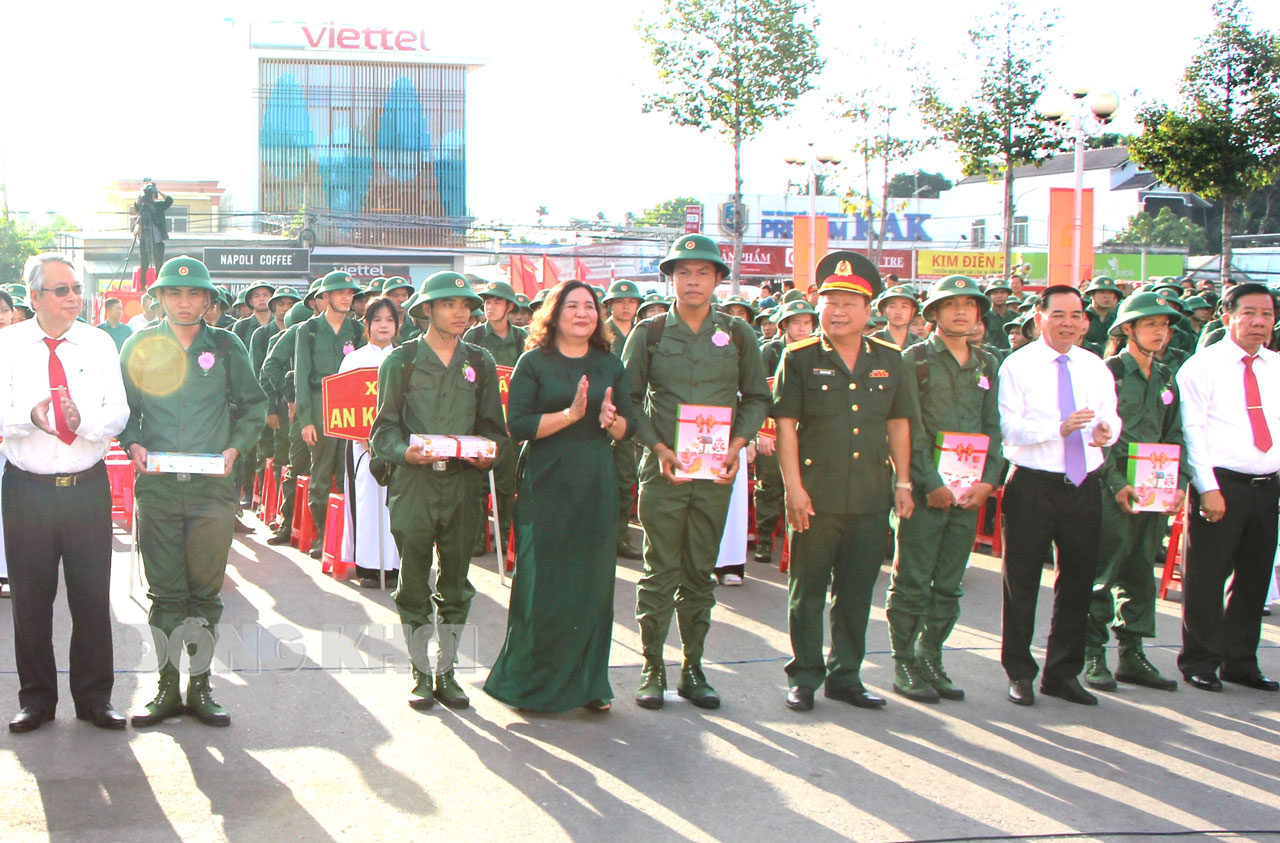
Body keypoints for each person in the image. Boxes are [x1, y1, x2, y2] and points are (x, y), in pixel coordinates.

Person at [622, 234, 770, 710]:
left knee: (700, 570)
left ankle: (693, 666)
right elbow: (628, 400)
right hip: (663, 468)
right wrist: (658, 447)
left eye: (702, 272)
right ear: (670, 279)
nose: (692, 280)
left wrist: (739, 444)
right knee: (659, 569)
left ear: (718, 280)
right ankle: (651, 666)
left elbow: (757, 398)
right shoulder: (650, 332)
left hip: (715, 471)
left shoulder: (739, 334)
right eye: (682, 272)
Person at [119, 256, 268, 727]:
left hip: (211, 492)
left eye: (194, 295)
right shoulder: (140, 345)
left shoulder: (225, 347)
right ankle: (166, 688)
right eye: (174, 294)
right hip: (160, 489)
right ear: (160, 298)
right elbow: (124, 409)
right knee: (165, 594)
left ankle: (200, 687)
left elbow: (253, 406)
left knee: (205, 595)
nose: (185, 303)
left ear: (208, 300)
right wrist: (133, 443)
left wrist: (234, 450)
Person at [484, 280, 636, 712]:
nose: (583, 313)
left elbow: (631, 427)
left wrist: (611, 421)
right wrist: (570, 415)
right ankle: (532, 684)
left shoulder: (610, 363)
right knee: (543, 581)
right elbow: (520, 426)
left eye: (590, 306)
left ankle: (590, 684)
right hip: (546, 479)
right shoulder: (534, 362)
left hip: (596, 480)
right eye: (573, 306)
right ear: (554, 313)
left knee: (592, 582)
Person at [773, 251, 915, 712]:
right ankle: (805, 675)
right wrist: (793, 487)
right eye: (830, 301)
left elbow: (899, 424)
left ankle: (846, 676)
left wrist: (904, 483)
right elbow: (787, 426)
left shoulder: (891, 360)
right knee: (808, 591)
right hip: (816, 494)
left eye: (849, 303)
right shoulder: (799, 358)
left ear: (868, 309)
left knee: (855, 593)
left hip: (871, 494)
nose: (837, 311)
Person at [1, 253, 130, 733]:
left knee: (92, 599)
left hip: (84, 489)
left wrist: (86, 424)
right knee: (31, 601)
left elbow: (117, 410)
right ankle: (36, 701)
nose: (73, 297)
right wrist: (29, 417)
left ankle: (95, 700)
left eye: (76, 288)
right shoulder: (8, 345)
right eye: (61, 290)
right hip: (26, 491)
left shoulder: (98, 343)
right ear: (34, 296)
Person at [370, 272, 508, 711]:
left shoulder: (480, 361)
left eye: (467, 305)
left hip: (463, 484)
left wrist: (491, 454)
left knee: (456, 583)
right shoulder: (403, 360)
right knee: (413, 581)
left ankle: (446, 671)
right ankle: (419, 672)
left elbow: (493, 429)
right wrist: (404, 454)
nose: (461, 312)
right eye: (450, 304)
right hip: (415, 483)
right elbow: (384, 429)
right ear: (427, 310)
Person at [997, 285, 1121, 707]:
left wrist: (1106, 431)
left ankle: (1062, 673)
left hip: (1083, 484)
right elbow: (1009, 429)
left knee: (1078, 581)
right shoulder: (1018, 365)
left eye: (1076, 315)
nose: (1069, 323)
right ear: (1039, 316)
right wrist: (1058, 429)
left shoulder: (1094, 365)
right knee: (1022, 580)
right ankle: (1019, 672)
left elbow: (1110, 416)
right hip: (1033, 482)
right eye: (1059, 314)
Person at [887, 275, 1003, 703]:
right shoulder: (913, 360)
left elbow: (994, 427)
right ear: (932, 313)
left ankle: (931, 654)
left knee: (950, 583)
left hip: (970, 492)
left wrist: (990, 481)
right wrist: (929, 483)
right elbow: (906, 428)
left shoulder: (987, 363)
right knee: (913, 579)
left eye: (969, 306)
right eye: (950, 305)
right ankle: (904, 660)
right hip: (923, 491)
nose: (961, 312)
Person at [1176, 282, 1280, 693]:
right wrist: (1207, 486)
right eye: (1249, 313)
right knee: (1206, 575)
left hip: (1266, 485)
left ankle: (1241, 661)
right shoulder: (1202, 366)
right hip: (1220, 484)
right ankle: (1200, 660)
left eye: (1267, 314)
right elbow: (1192, 431)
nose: (1259, 322)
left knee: (1255, 577)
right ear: (1227, 317)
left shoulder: (1274, 366)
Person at [1085, 292, 1188, 693]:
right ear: (1127, 329)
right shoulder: (1109, 372)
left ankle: (1132, 652)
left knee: (1142, 570)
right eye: (1151, 324)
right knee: (1103, 570)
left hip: (1155, 485)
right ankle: (1093, 652)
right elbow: (1097, 435)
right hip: (1112, 485)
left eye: (1164, 326)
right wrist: (1115, 482)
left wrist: (1178, 483)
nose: (1160, 333)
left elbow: (1175, 433)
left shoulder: (1165, 376)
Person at [296, 271, 367, 558]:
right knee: (321, 476)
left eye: (350, 294)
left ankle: (351, 537)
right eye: (340, 293)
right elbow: (301, 378)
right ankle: (324, 536)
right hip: (320, 405)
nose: (347, 298)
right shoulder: (308, 331)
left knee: (351, 473)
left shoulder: (358, 331)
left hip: (350, 409)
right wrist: (306, 421)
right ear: (325, 297)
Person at [463, 281, 527, 558]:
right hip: (482, 418)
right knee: (477, 480)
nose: (490, 306)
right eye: (487, 302)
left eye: (497, 302)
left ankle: (504, 534)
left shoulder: (523, 339)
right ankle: (478, 536)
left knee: (506, 482)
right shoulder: (474, 337)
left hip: (512, 421)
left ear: (510, 307)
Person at [339, 296, 401, 588]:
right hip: (361, 446)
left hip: (398, 447)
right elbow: (341, 403)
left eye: (389, 320)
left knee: (396, 504)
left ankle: (394, 567)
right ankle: (366, 566)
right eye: (377, 320)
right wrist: (362, 438)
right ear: (367, 325)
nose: (384, 325)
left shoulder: (404, 358)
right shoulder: (354, 360)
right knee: (365, 502)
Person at [602, 279, 646, 559]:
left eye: (631, 301)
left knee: (625, 481)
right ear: (610, 305)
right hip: (602, 415)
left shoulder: (644, 333)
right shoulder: (602, 334)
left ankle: (620, 538)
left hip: (630, 416)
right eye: (620, 301)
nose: (626, 305)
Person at [133, 180, 173, 280]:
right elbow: (136, 206)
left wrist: (158, 191)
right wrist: (141, 194)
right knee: (144, 264)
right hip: (144, 240)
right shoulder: (143, 206)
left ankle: (158, 283)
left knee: (159, 264)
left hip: (158, 240)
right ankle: (143, 285)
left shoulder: (159, 205)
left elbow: (170, 200)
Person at [871, 284, 924, 350]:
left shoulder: (920, 345)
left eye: (904, 307)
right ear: (884, 310)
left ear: (913, 311)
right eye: (892, 306)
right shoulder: (872, 343)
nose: (898, 312)